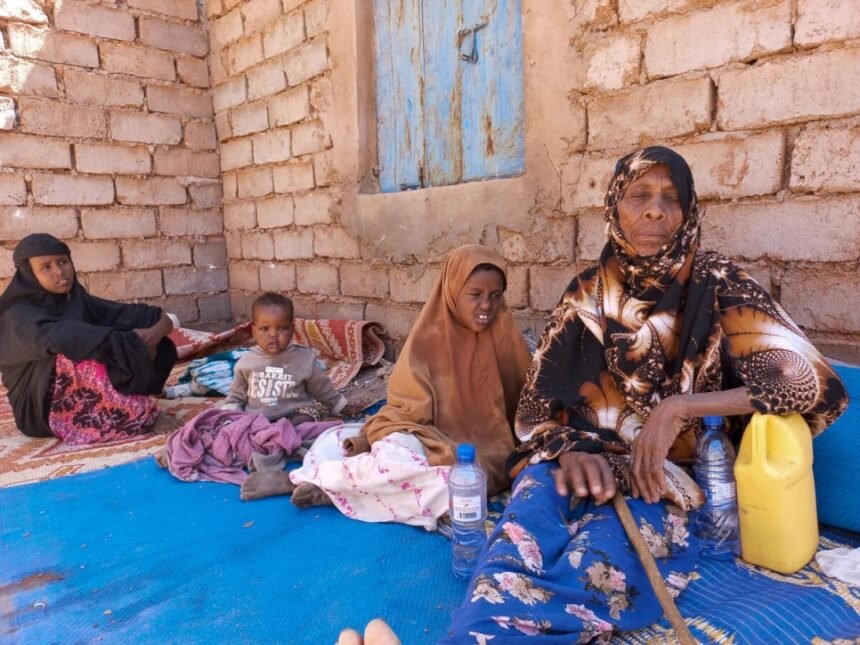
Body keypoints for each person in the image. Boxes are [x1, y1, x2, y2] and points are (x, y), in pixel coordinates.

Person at [442, 147, 848, 642]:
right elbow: (536, 408)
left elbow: (809, 381)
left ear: (688, 211)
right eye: (639, 195)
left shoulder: (717, 283)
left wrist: (681, 408)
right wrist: (571, 450)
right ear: (615, 207)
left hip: (669, 478)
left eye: (670, 198)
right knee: (520, 533)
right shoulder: (586, 294)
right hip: (583, 463)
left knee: (601, 562)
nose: (655, 210)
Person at [239, 245, 533, 529]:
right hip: (426, 437)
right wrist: (422, 442)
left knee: (458, 489)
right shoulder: (427, 340)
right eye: (475, 295)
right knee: (342, 443)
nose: (486, 305)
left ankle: (319, 483)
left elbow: (529, 404)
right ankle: (337, 484)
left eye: (495, 295)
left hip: (480, 453)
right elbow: (405, 413)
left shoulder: (507, 342)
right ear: (453, 292)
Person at [0, 233, 178, 444]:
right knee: (78, 350)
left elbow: (123, 314)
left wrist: (155, 330)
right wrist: (129, 341)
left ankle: (129, 402)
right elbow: (64, 337)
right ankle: (138, 415)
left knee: (142, 341)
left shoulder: (75, 300)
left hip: (74, 395)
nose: (59, 271)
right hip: (40, 408)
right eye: (46, 267)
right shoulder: (16, 314)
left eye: (63, 262)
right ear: (29, 274)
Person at [221, 292, 347, 426]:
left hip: (295, 413)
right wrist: (230, 413)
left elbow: (321, 388)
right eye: (264, 328)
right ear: (254, 331)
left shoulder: (304, 359)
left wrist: (339, 405)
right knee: (243, 425)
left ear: (292, 330)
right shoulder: (246, 362)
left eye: (282, 328)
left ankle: (286, 433)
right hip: (258, 417)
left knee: (307, 417)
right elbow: (236, 397)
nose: (273, 335)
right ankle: (270, 434)